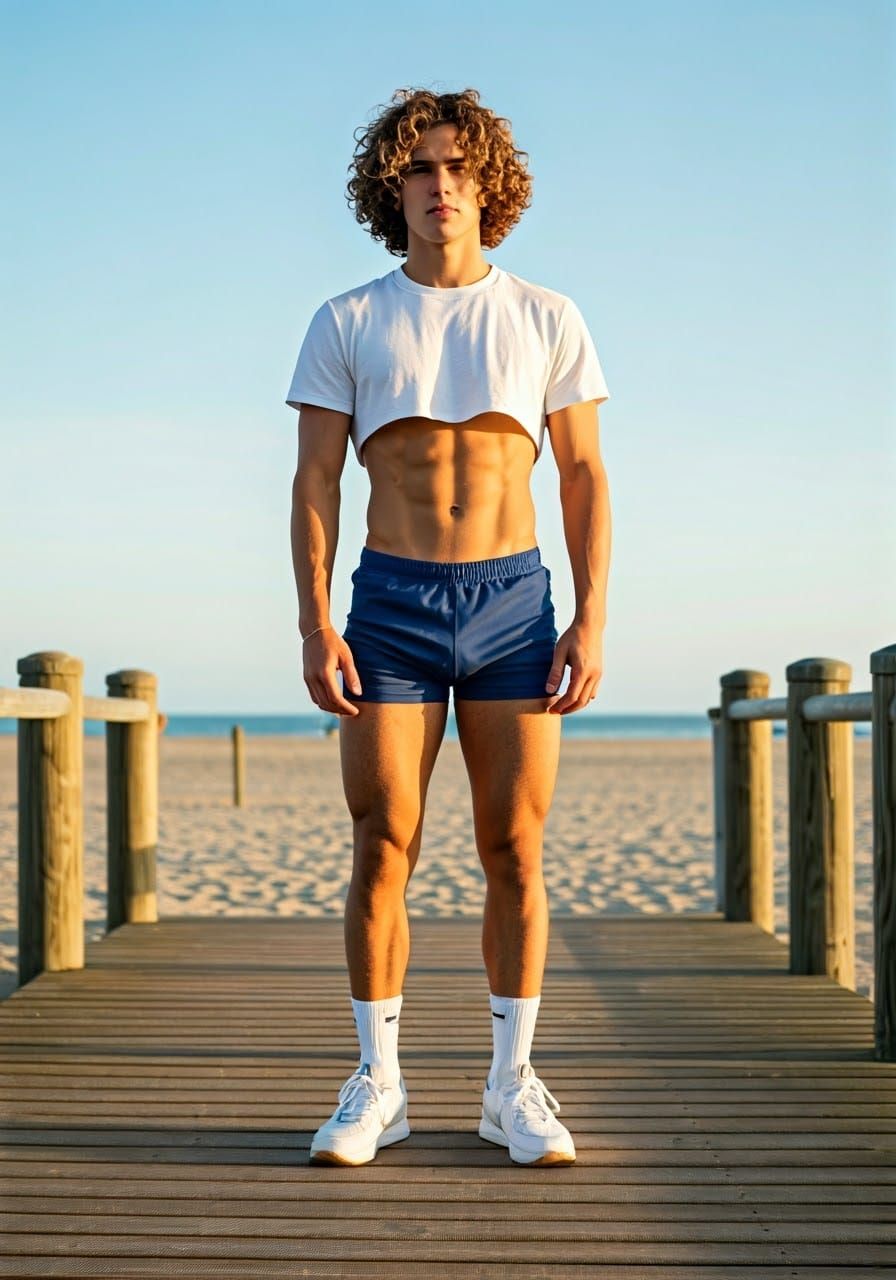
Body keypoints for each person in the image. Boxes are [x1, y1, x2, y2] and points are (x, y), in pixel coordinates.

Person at [286, 87, 611, 1167]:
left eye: (458, 168)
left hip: (515, 603)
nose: (439, 186)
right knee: (383, 841)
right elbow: (315, 483)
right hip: (389, 607)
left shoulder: (546, 315)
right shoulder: (347, 318)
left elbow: (580, 477)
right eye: (420, 169)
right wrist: (313, 622)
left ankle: (507, 1085)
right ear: (395, 187)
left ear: (489, 185)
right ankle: (377, 1082)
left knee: (512, 846)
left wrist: (587, 618)